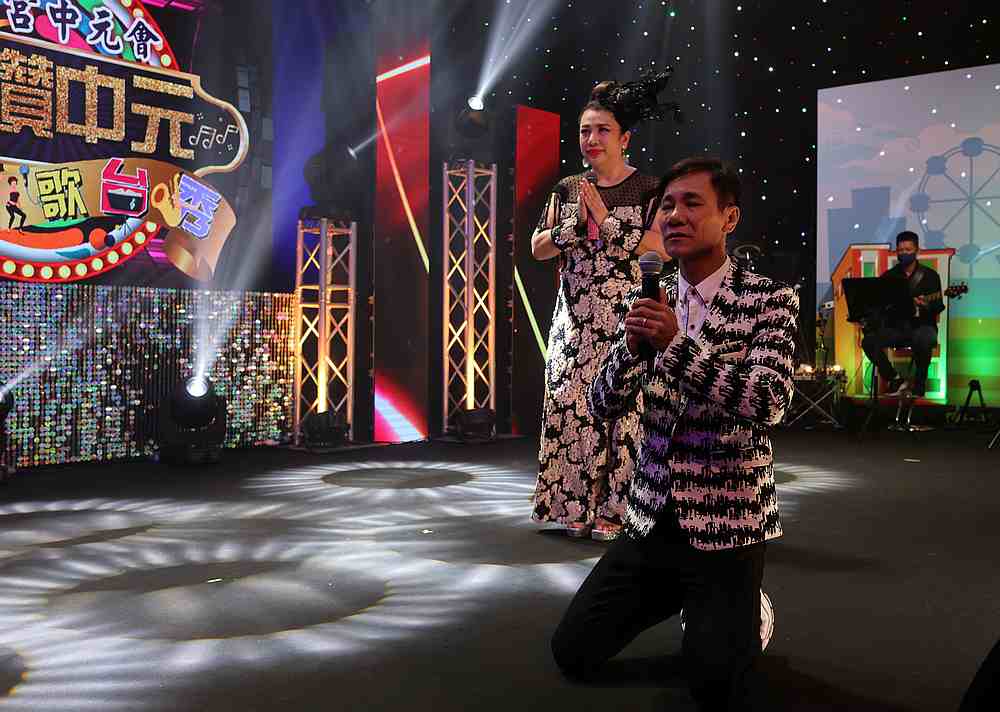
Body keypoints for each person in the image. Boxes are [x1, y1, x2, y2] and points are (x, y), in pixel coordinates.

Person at [551, 157, 798, 710]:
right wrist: (629, 355)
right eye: (666, 205)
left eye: (692, 203)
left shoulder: (767, 301)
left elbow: (770, 401)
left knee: (713, 687)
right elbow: (602, 404)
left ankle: (742, 607)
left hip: (727, 526)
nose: (674, 215)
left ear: (728, 218)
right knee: (572, 652)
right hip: (652, 520)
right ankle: (684, 598)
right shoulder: (647, 298)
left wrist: (676, 348)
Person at [530, 75, 674, 542]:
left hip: (626, 318)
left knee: (624, 411)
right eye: (585, 131)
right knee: (570, 407)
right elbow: (537, 248)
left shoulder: (651, 187)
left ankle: (619, 508)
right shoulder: (569, 187)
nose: (591, 140)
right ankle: (572, 503)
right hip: (572, 320)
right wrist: (573, 229)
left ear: (625, 138)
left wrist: (608, 223)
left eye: (602, 131)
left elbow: (663, 249)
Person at [860, 230, 944, 397]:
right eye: (901, 250)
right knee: (869, 341)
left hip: (922, 326)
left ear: (917, 250)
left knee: (924, 338)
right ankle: (896, 380)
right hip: (897, 328)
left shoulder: (929, 276)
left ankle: (919, 386)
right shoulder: (888, 277)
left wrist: (925, 305)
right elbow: (881, 306)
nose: (904, 253)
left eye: (908, 249)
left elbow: (938, 306)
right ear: (897, 251)